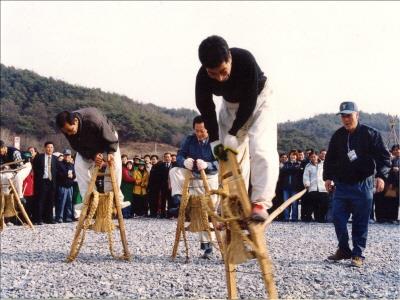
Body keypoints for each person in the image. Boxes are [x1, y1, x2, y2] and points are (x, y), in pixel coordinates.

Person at [195, 35, 279, 221]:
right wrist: (216, 140)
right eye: (213, 74)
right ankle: (234, 204)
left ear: (230, 58)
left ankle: (260, 203)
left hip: (259, 100)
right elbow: (206, 108)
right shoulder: (202, 77)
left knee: (260, 149)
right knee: (228, 155)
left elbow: (250, 101)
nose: (220, 78)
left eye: (223, 71)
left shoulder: (245, 59)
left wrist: (234, 132)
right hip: (231, 106)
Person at [324, 101, 391, 267]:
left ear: (357, 115)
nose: (346, 119)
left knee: (360, 221)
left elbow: (384, 158)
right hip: (341, 185)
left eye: (349, 115)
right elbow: (330, 158)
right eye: (343, 116)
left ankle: (358, 254)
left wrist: (381, 176)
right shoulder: (338, 136)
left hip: (363, 185)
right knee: (337, 218)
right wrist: (327, 177)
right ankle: (344, 249)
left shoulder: (371, 134)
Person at [55, 108, 130, 210]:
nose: (69, 134)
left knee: (114, 165)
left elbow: (110, 137)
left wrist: (110, 152)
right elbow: (77, 147)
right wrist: (93, 155)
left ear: (76, 121)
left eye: (70, 130)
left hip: (108, 139)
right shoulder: (67, 130)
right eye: (66, 132)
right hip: (89, 147)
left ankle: (115, 199)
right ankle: (88, 198)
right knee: (79, 166)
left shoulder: (93, 119)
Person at [168, 115, 218, 258]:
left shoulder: (216, 140)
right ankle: (178, 201)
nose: (199, 134)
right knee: (174, 171)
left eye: (202, 131)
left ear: (208, 129)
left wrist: (208, 164)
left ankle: (208, 246)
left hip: (209, 176)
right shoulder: (189, 139)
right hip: (192, 174)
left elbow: (222, 162)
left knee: (205, 209)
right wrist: (184, 162)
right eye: (197, 131)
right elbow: (179, 155)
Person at [32, 141, 58, 224]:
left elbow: (56, 171)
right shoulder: (39, 157)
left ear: (53, 149)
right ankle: (38, 219)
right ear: (45, 148)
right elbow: (35, 169)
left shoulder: (55, 158)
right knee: (40, 200)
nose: (50, 149)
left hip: (51, 182)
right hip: (42, 181)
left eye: (51, 147)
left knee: (50, 201)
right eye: (48, 147)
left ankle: (49, 219)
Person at [0, 140, 32, 205]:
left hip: (24, 166)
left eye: (0, 150)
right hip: (12, 168)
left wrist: (11, 175)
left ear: (3, 147)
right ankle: (5, 196)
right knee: (4, 177)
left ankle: (20, 196)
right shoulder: (1, 154)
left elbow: (19, 167)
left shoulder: (14, 152)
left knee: (18, 177)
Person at [303, 151, 329, 222]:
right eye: (311, 157)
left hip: (323, 187)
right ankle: (309, 218)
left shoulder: (324, 164)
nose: (313, 158)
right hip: (313, 187)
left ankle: (321, 218)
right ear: (309, 158)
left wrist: (330, 184)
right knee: (312, 204)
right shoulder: (308, 166)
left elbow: (328, 174)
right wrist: (307, 184)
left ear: (317, 156)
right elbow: (306, 176)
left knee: (324, 204)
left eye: (314, 156)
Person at [55, 149, 75, 223]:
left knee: (69, 202)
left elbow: (74, 174)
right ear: (63, 155)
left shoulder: (72, 165)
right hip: (62, 186)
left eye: (68, 155)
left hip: (70, 186)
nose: (67, 156)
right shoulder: (59, 164)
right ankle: (59, 217)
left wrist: (72, 176)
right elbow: (58, 175)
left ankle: (68, 217)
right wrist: (66, 175)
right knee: (61, 202)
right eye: (66, 155)